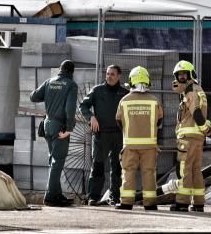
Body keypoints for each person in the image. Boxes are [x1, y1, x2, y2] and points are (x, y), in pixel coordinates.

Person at [30, 59, 78, 207]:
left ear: (60, 69)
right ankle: (51, 196)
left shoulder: (49, 81)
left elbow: (33, 97)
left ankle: (56, 194)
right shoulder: (71, 85)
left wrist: (50, 94)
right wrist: (69, 129)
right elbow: (70, 110)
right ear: (72, 72)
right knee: (58, 161)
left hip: (47, 125)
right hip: (60, 127)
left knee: (53, 161)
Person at [115, 66, 163, 211]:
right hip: (149, 145)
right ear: (147, 81)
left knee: (128, 172)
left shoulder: (124, 101)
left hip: (130, 144)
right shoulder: (154, 101)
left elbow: (118, 121)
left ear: (131, 81)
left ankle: (126, 203)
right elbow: (160, 122)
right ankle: (150, 203)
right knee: (149, 172)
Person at [80, 64, 128, 206]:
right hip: (101, 135)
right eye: (107, 74)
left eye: (112, 74)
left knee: (117, 168)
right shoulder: (97, 91)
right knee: (98, 166)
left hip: (119, 135)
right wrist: (91, 117)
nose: (109, 76)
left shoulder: (124, 93)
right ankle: (93, 197)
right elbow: (83, 106)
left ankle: (115, 196)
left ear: (119, 76)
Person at [170, 60, 211, 213]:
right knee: (195, 170)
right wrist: (204, 130)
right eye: (178, 74)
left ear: (191, 74)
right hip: (198, 138)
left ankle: (182, 202)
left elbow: (196, 112)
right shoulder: (199, 90)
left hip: (188, 137)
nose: (181, 77)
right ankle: (199, 202)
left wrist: (204, 127)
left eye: (183, 74)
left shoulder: (190, 91)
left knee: (183, 170)